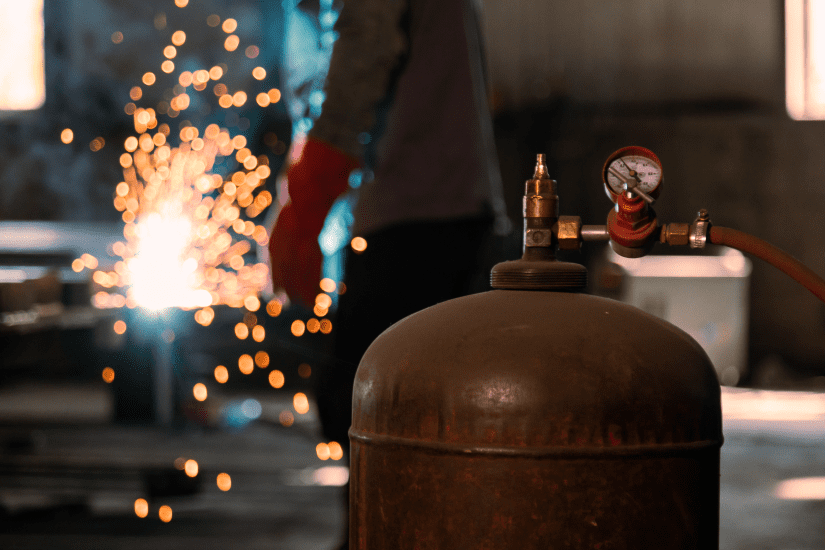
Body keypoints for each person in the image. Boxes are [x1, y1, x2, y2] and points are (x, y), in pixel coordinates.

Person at [269, 0, 508, 544]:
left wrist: (307, 205)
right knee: (387, 406)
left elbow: (363, 55)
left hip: (419, 210)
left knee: (372, 404)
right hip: (423, 204)